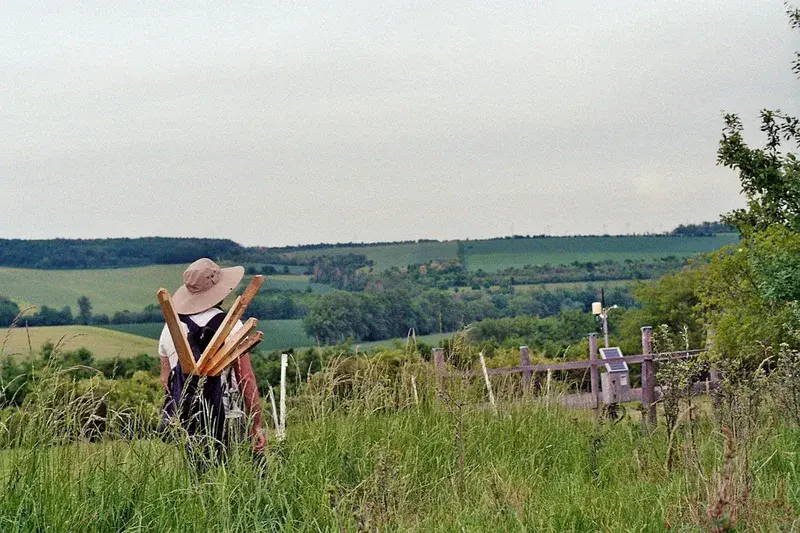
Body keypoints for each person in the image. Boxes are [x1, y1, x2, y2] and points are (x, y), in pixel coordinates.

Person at [158, 258, 267, 454]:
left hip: (187, 421)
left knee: (198, 481)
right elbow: (245, 378)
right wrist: (255, 424)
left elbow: (166, 381)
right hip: (229, 417)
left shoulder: (170, 327)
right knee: (248, 479)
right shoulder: (230, 324)